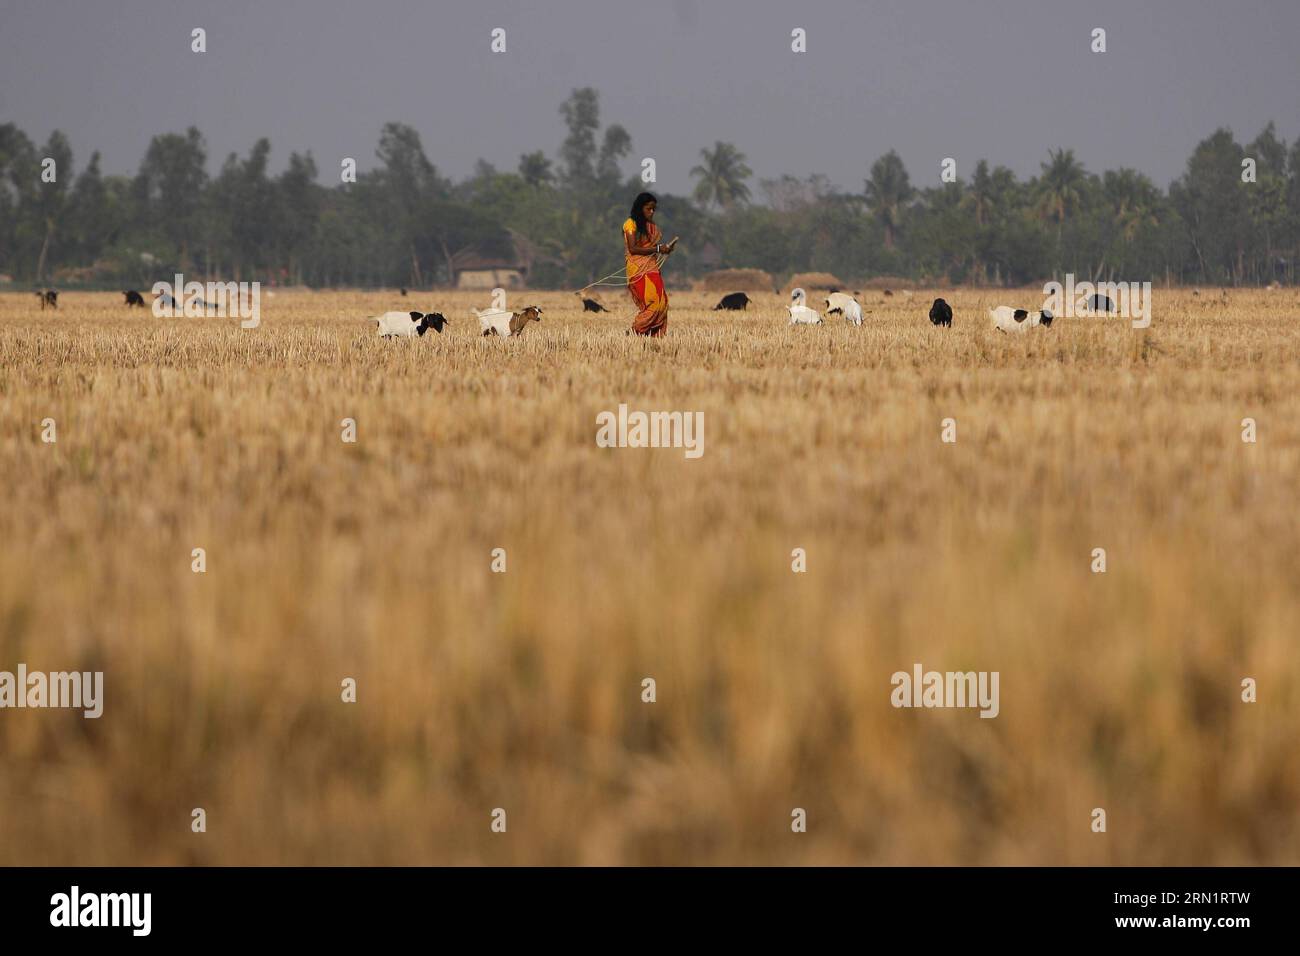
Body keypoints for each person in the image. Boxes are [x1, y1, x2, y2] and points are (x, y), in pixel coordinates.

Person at [623, 192, 678, 336]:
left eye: (654, 209)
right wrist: (659, 248)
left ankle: (655, 339)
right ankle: (636, 332)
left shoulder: (651, 227)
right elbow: (633, 248)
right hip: (637, 269)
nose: (652, 212)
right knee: (653, 303)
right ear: (640, 208)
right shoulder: (630, 224)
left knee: (662, 303)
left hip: (652, 267)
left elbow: (652, 248)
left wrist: (665, 250)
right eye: (649, 208)